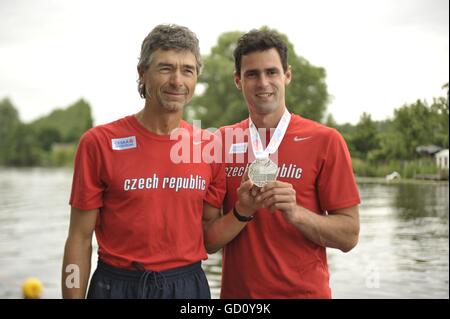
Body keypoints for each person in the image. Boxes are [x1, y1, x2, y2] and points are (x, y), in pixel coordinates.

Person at [61, 24, 225, 299]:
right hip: (116, 285)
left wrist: (247, 211)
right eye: (165, 68)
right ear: (142, 73)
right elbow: (79, 238)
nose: (177, 80)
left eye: (187, 70)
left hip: (187, 286)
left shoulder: (209, 147)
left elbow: (210, 235)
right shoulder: (98, 142)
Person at [203, 29, 360, 298]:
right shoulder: (220, 141)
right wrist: (242, 211)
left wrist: (296, 213)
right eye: (252, 74)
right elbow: (208, 241)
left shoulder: (326, 140)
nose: (263, 82)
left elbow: (349, 236)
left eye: (272, 72)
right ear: (238, 80)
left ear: (287, 75)